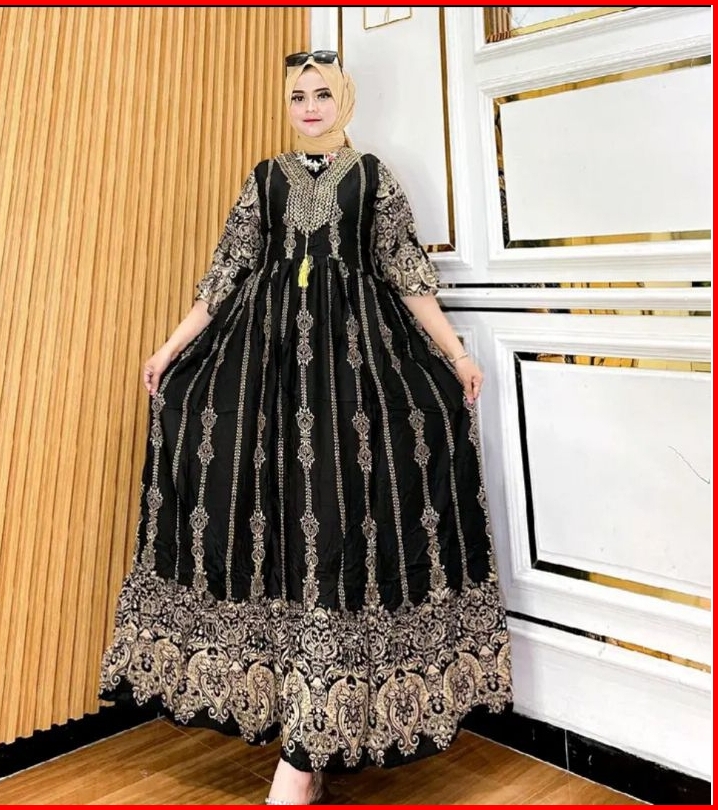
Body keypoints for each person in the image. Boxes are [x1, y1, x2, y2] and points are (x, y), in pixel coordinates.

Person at [99, 51, 512, 805]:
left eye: (323, 93)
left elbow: (407, 273)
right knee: (280, 527)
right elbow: (225, 275)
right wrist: (168, 350)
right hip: (267, 374)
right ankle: (304, 740)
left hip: (358, 371)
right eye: (298, 95)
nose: (311, 106)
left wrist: (455, 355)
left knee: (341, 526)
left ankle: (310, 744)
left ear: (344, 99)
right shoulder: (264, 179)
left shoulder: (373, 178)